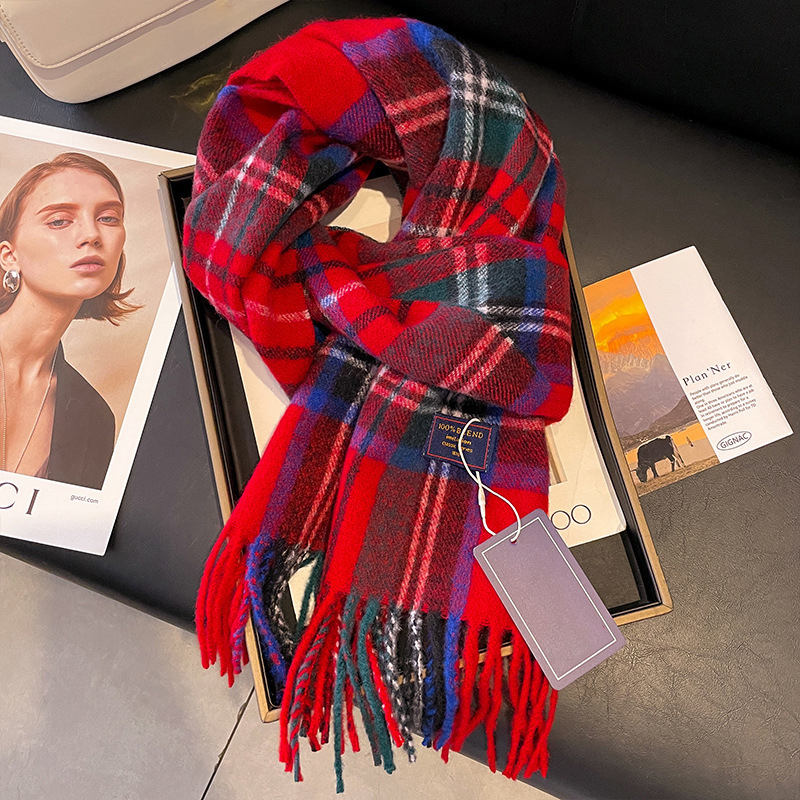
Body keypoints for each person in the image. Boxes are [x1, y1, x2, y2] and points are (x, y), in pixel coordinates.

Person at [0, 152, 138, 490]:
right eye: (59, 221)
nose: (91, 235)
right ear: (9, 256)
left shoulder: (95, 419)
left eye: (108, 218)